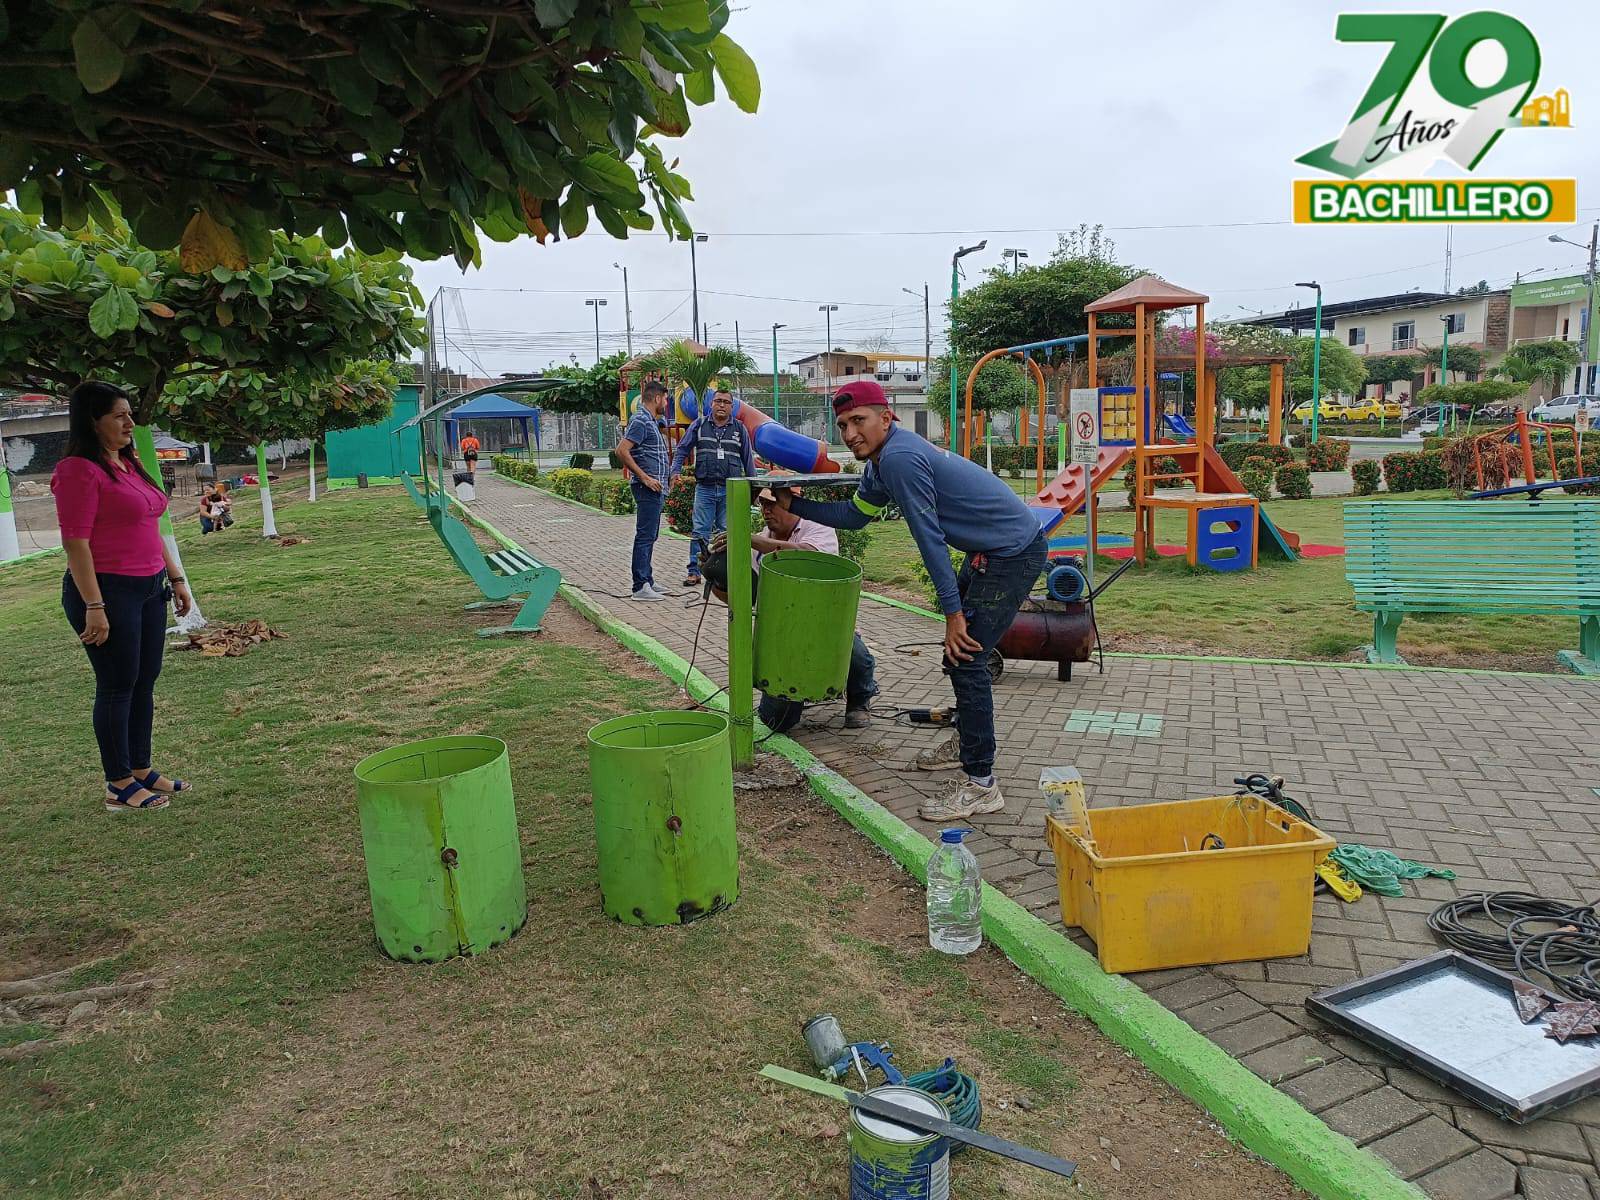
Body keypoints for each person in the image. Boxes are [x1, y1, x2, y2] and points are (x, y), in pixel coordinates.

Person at [783, 380, 1047, 822]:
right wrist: (796, 505)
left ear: (886, 418)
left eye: (859, 421)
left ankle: (981, 784)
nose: (850, 434)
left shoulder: (900, 459)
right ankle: (967, 743)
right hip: (991, 551)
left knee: (967, 659)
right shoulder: (881, 462)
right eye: (843, 425)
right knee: (958, 658)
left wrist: (954, 614)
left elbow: (930, 541)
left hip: (1013, 554)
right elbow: (855, 516)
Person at [52, 381, 195, 813]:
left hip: (150, 586)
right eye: (119, 415)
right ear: (92, 421)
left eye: (129, 413)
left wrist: (177, 579)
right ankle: (117, 783)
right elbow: (76, 543)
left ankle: (139, 768)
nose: (130, 422)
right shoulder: (79, 470)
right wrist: (94, 606)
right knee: (117, 685)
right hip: (107, 590)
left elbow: (150, 526)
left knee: (144, 680)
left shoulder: (128, 463)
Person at [706, 486, 879, 733]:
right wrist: (718, 579)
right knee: (776, 721)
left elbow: (809, 556)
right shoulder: (758, 542)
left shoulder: (817, 527)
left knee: (858, 657)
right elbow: (744, 599)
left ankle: (859, 702)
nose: (766, 511)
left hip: (826, 626)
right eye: (763, 504)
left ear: (792, 502)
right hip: (784, 635)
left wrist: (757, 542)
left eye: (772, 504)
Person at [668, 389, 755, 587]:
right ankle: (694, 571)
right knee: (700, 531)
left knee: (726, 533)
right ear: (711, 404)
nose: (721, 405)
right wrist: (675, 472)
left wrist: (754, 488)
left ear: (731, 407)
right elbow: (682, 450)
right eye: (718, 401)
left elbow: (748, 460)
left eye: (726, 402)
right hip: (705, 489)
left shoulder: (739, 429)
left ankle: (724, 572)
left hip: (730, 491)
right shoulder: (699, 425)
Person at [614, 379, 671, 602]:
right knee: (645, 536)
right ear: (656, 398)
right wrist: (645, 478)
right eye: (665, 399)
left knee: (650, 535)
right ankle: (640, 586)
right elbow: (622, 450)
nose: (666, 403)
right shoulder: (640, 420)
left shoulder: (650, 421)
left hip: (656, 489)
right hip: (647, 488)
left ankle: (648, 579)